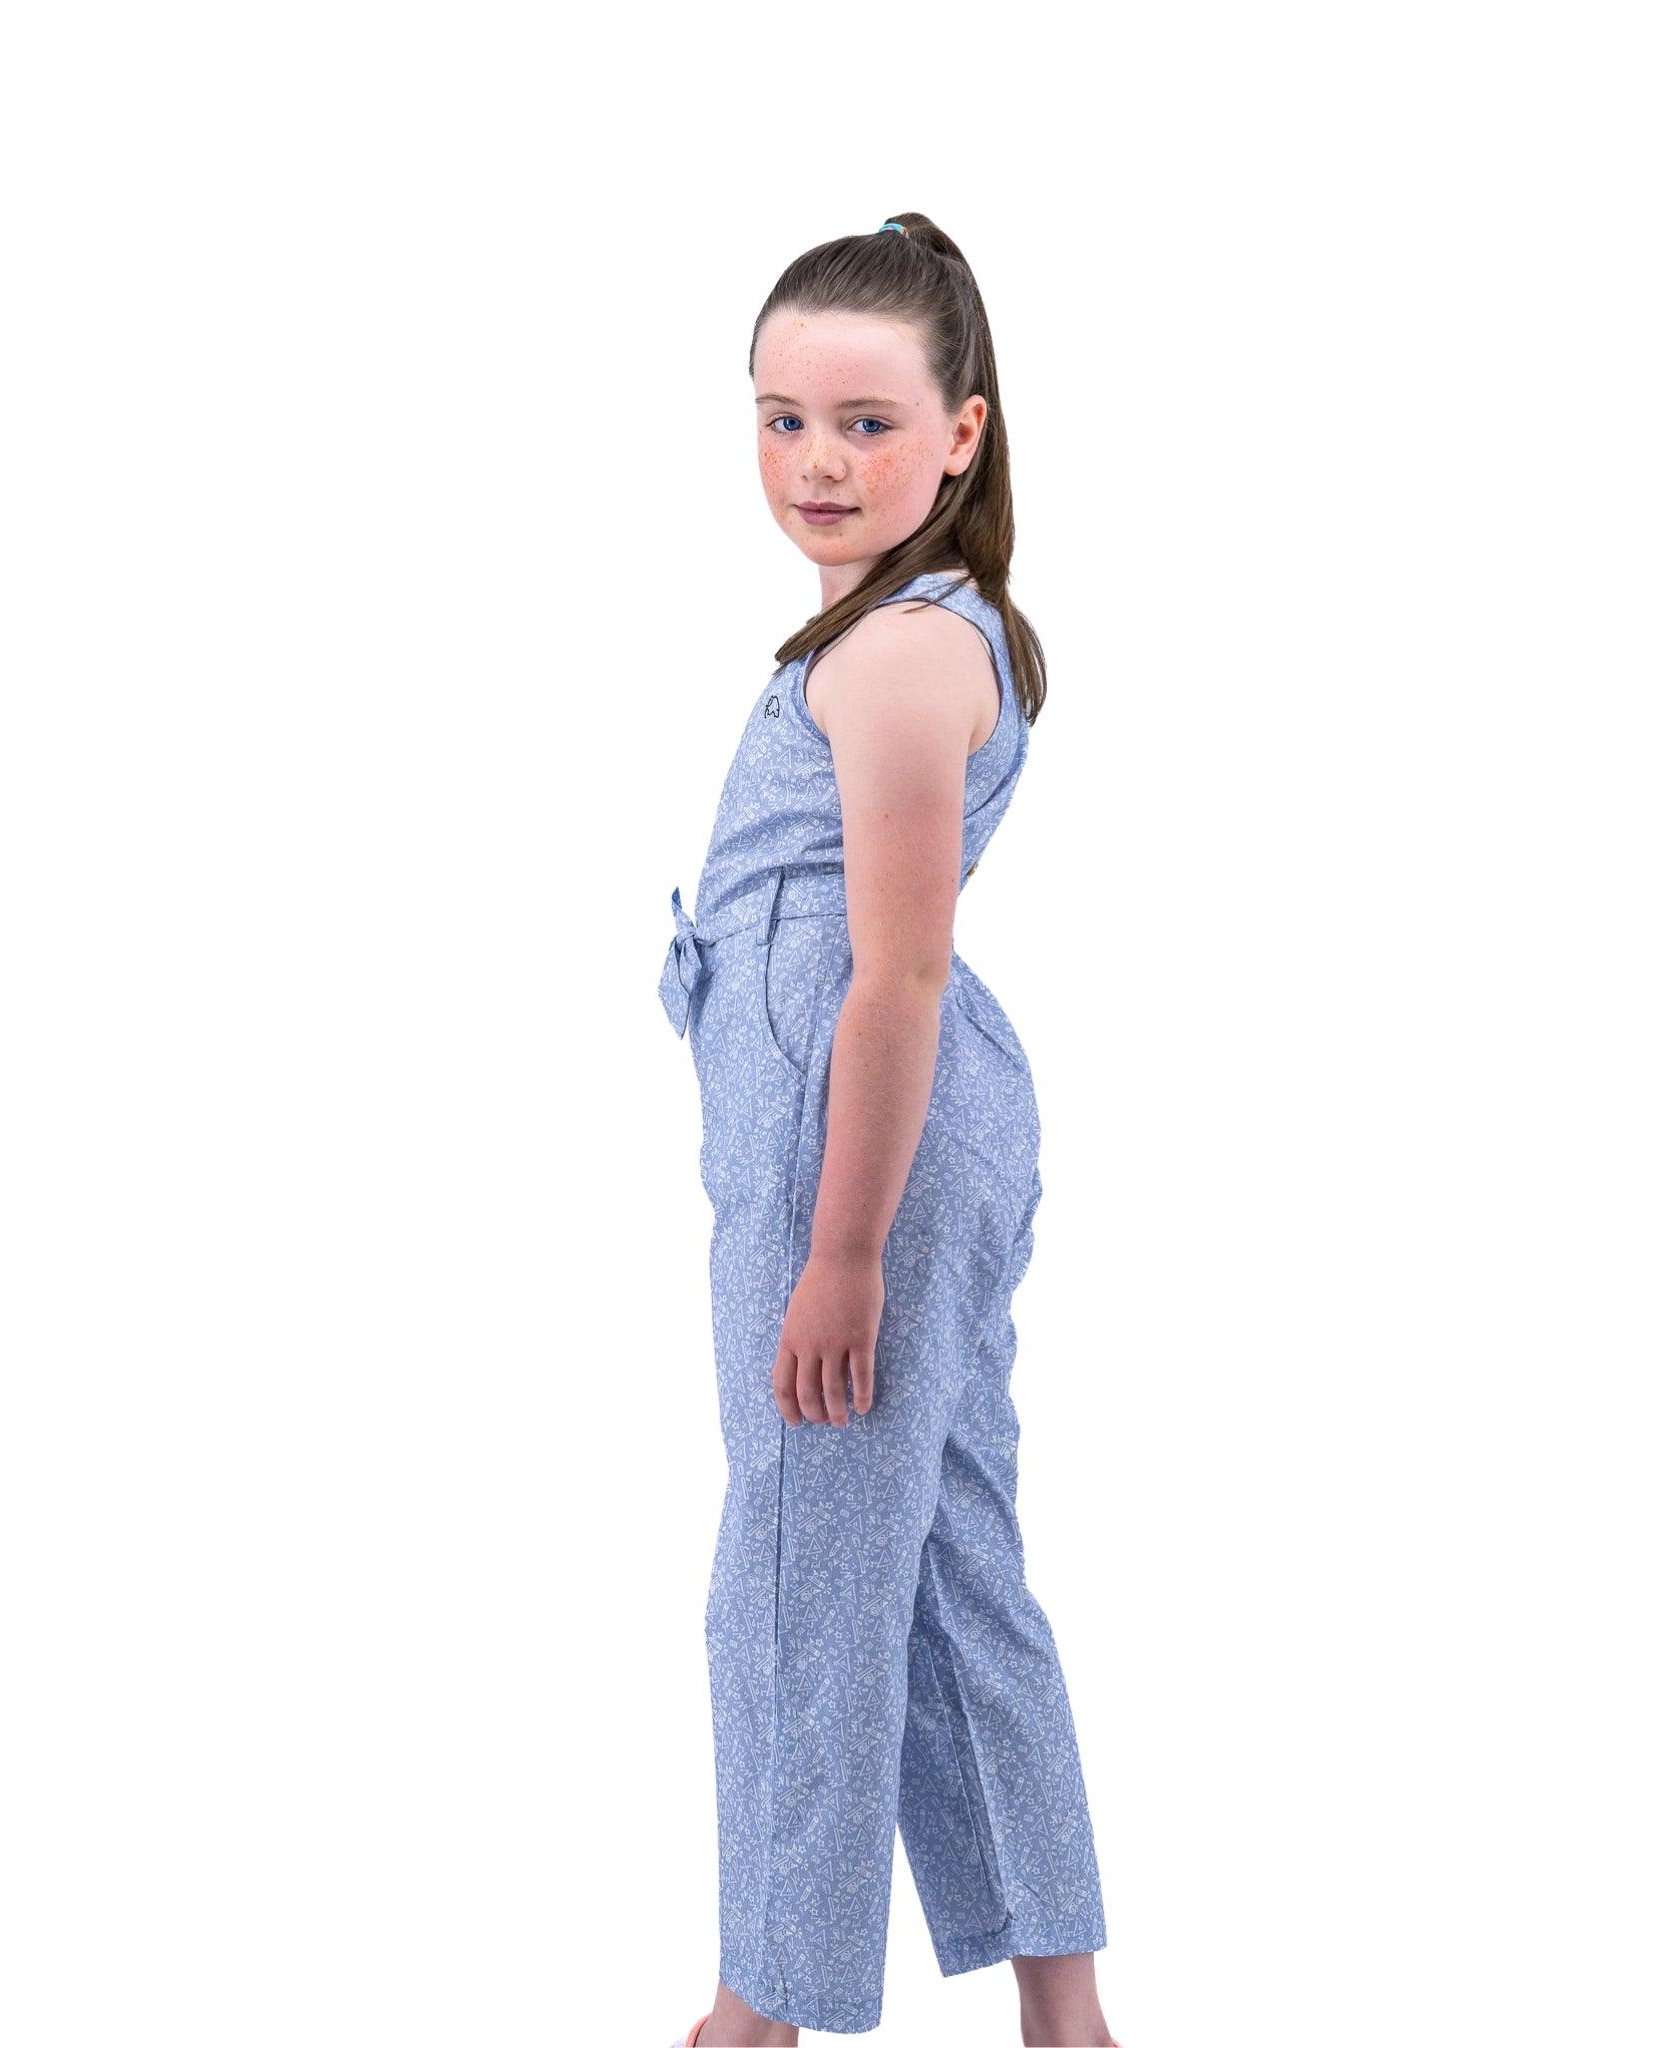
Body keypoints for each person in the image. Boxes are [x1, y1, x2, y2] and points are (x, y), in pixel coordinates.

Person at [658, 215, 1121, 2048]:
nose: (815, 465)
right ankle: (1065, 2014)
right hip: (883, 1125)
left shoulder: (908, 660)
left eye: (863, 422)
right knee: (937, 1558)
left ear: (963, 437)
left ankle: (754, 2013)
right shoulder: (893, 636)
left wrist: (841, 1247)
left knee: (796, 1565)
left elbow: (895, 979)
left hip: (860, 1139)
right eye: (779, 421)